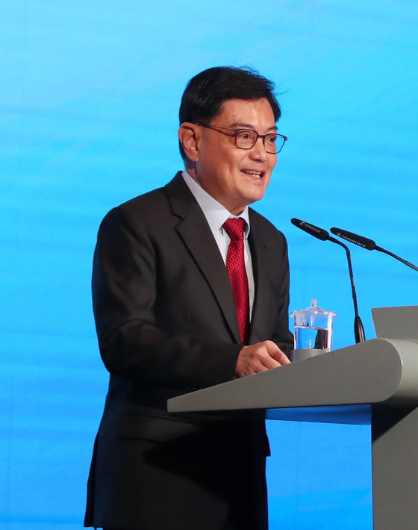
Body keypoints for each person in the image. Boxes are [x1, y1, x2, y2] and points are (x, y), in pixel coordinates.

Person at [85, 66, 294, 530]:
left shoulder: (271, 241)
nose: (261, 154)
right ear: (192, 141)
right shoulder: (137, 222)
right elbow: (125, 340)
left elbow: (272, 347)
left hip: (240, 480)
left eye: (270, 139)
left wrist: (309, 365)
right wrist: (234, 361)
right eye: (244, 137)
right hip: (158, 472)